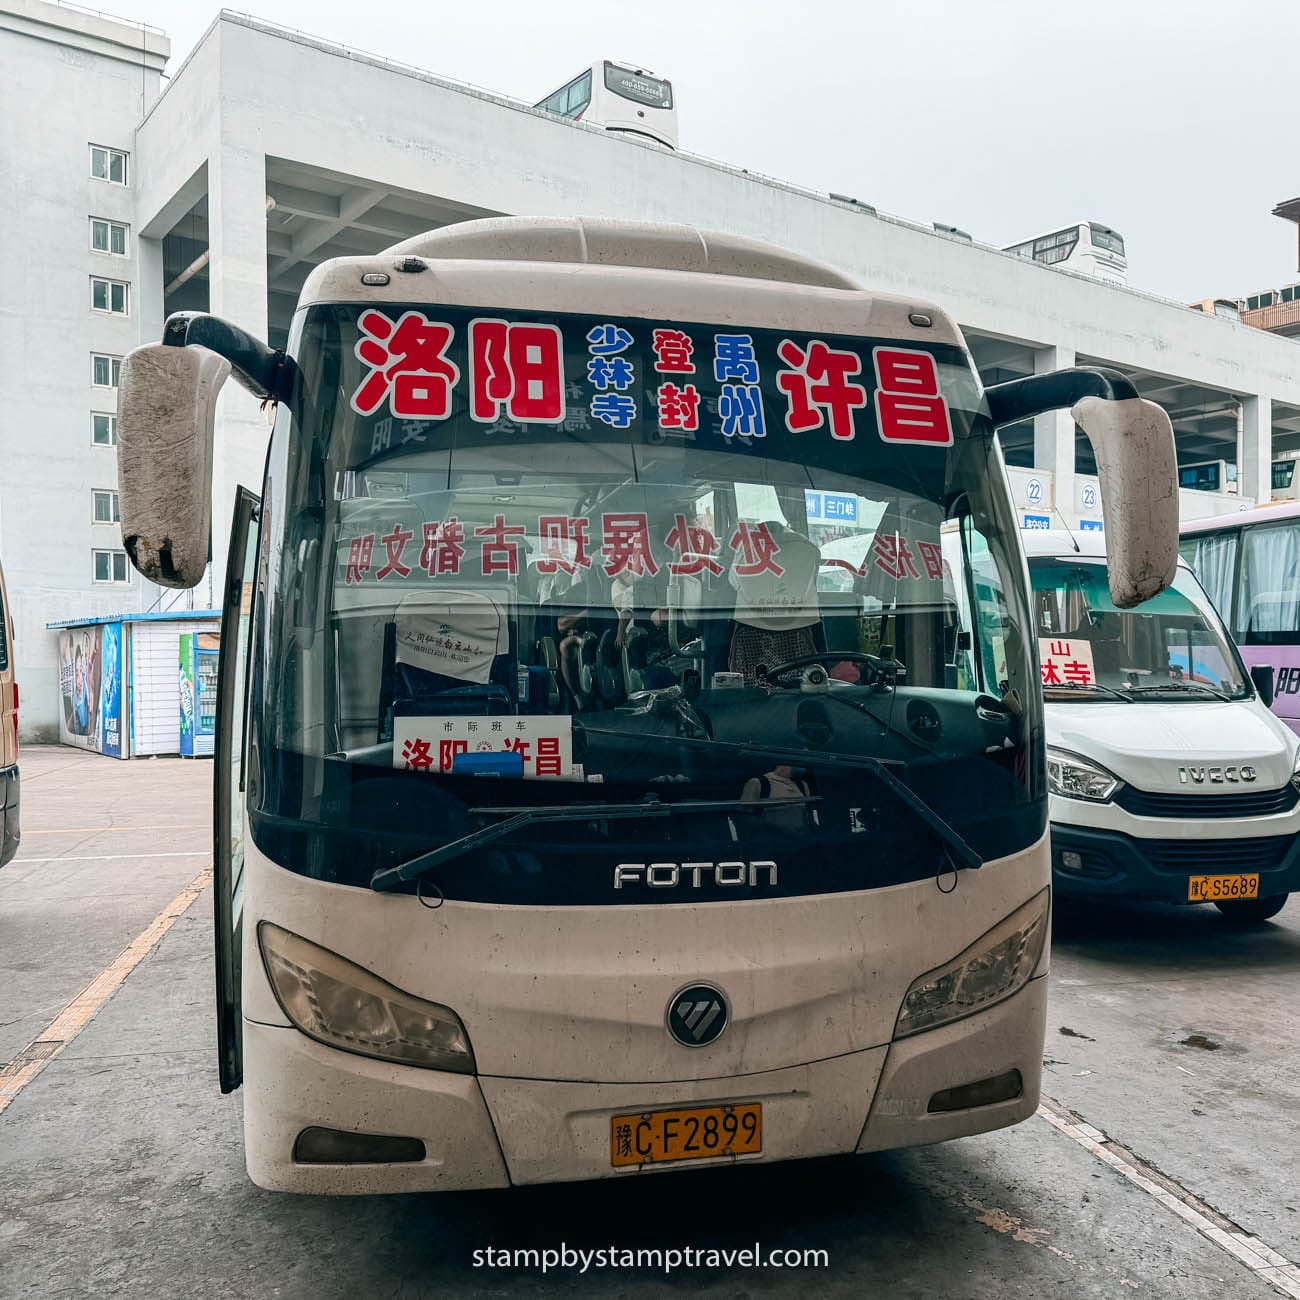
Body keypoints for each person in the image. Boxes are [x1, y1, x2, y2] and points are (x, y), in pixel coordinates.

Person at [740, 763, 813, 831]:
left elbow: (807, 814)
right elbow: (745, 818)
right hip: (771, 838)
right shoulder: (759, 783)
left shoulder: (802, 785)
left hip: (799, 838)